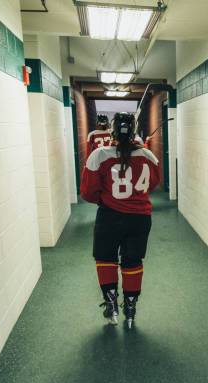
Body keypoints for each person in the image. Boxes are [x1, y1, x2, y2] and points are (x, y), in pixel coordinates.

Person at [80, 112, 160, 327]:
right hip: (140, 218)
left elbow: (87, 191)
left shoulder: (99, 155)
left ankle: (112, 305)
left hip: (110, 216)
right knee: (133, 260)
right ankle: (131, 308)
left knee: (105, 258)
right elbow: (152, 184)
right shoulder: (148, 155)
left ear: (112, 130)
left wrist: (107, 198)